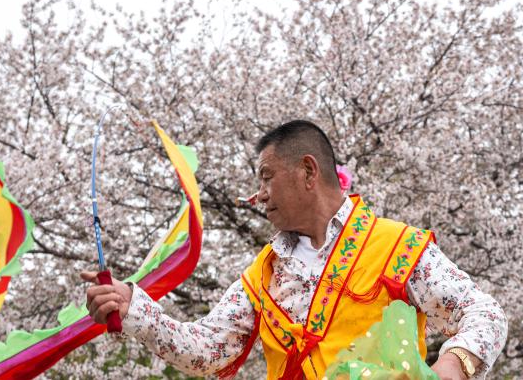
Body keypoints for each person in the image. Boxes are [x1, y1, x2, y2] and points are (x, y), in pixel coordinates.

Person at [81, 120, 507, 379]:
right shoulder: (262, 274)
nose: (258, 195)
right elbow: (209, 349)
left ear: (308, 170)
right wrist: (135, 305)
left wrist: (454, 365)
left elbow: (485, 313)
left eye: (266, 178)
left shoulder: (396, 245)